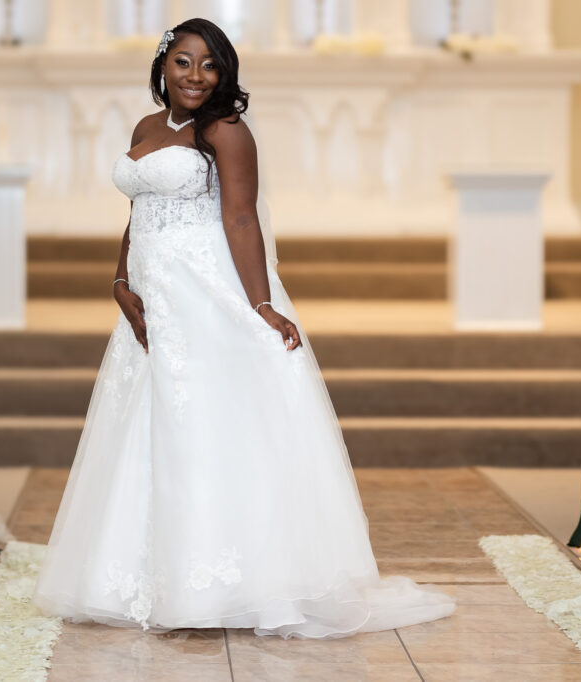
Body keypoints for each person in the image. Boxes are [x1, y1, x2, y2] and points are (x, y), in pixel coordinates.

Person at [32, 18, 455, 639]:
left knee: (204, 424)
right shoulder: (146, 128)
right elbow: (138, 212)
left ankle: (222, 584)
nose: (196, 75)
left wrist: (260, 305)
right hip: (151, 300)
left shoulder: (227, 131)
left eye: (209, 65)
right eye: (183, 61)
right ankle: (141, 576)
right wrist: (120, 279)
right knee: (146, 426)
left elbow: (240, 220)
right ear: (163, 65)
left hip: (204, 294)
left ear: (224, 73)